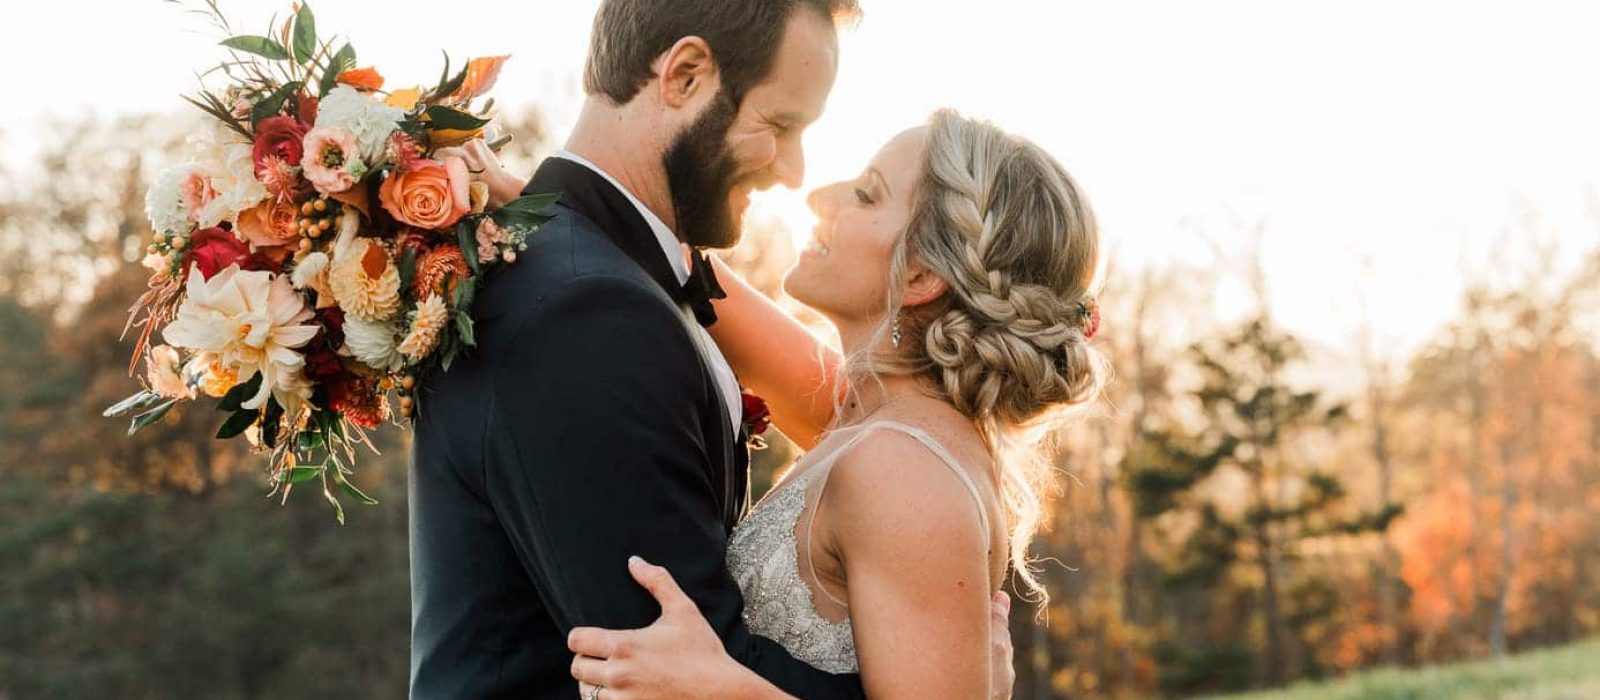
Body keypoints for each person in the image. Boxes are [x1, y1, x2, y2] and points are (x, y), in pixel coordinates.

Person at [407, 1, 885, 697]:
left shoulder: (595, 276)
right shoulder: (587, 313)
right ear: (685, 74)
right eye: (779, 126)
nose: (793, 171)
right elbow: (672, 660)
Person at [560, 110, 1110, 699]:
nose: (821, 197)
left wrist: (716, 690)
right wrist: (527, 200)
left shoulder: (903, 468)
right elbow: (689, 279)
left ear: (921, 273)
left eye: (866, 195)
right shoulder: (874, 418)